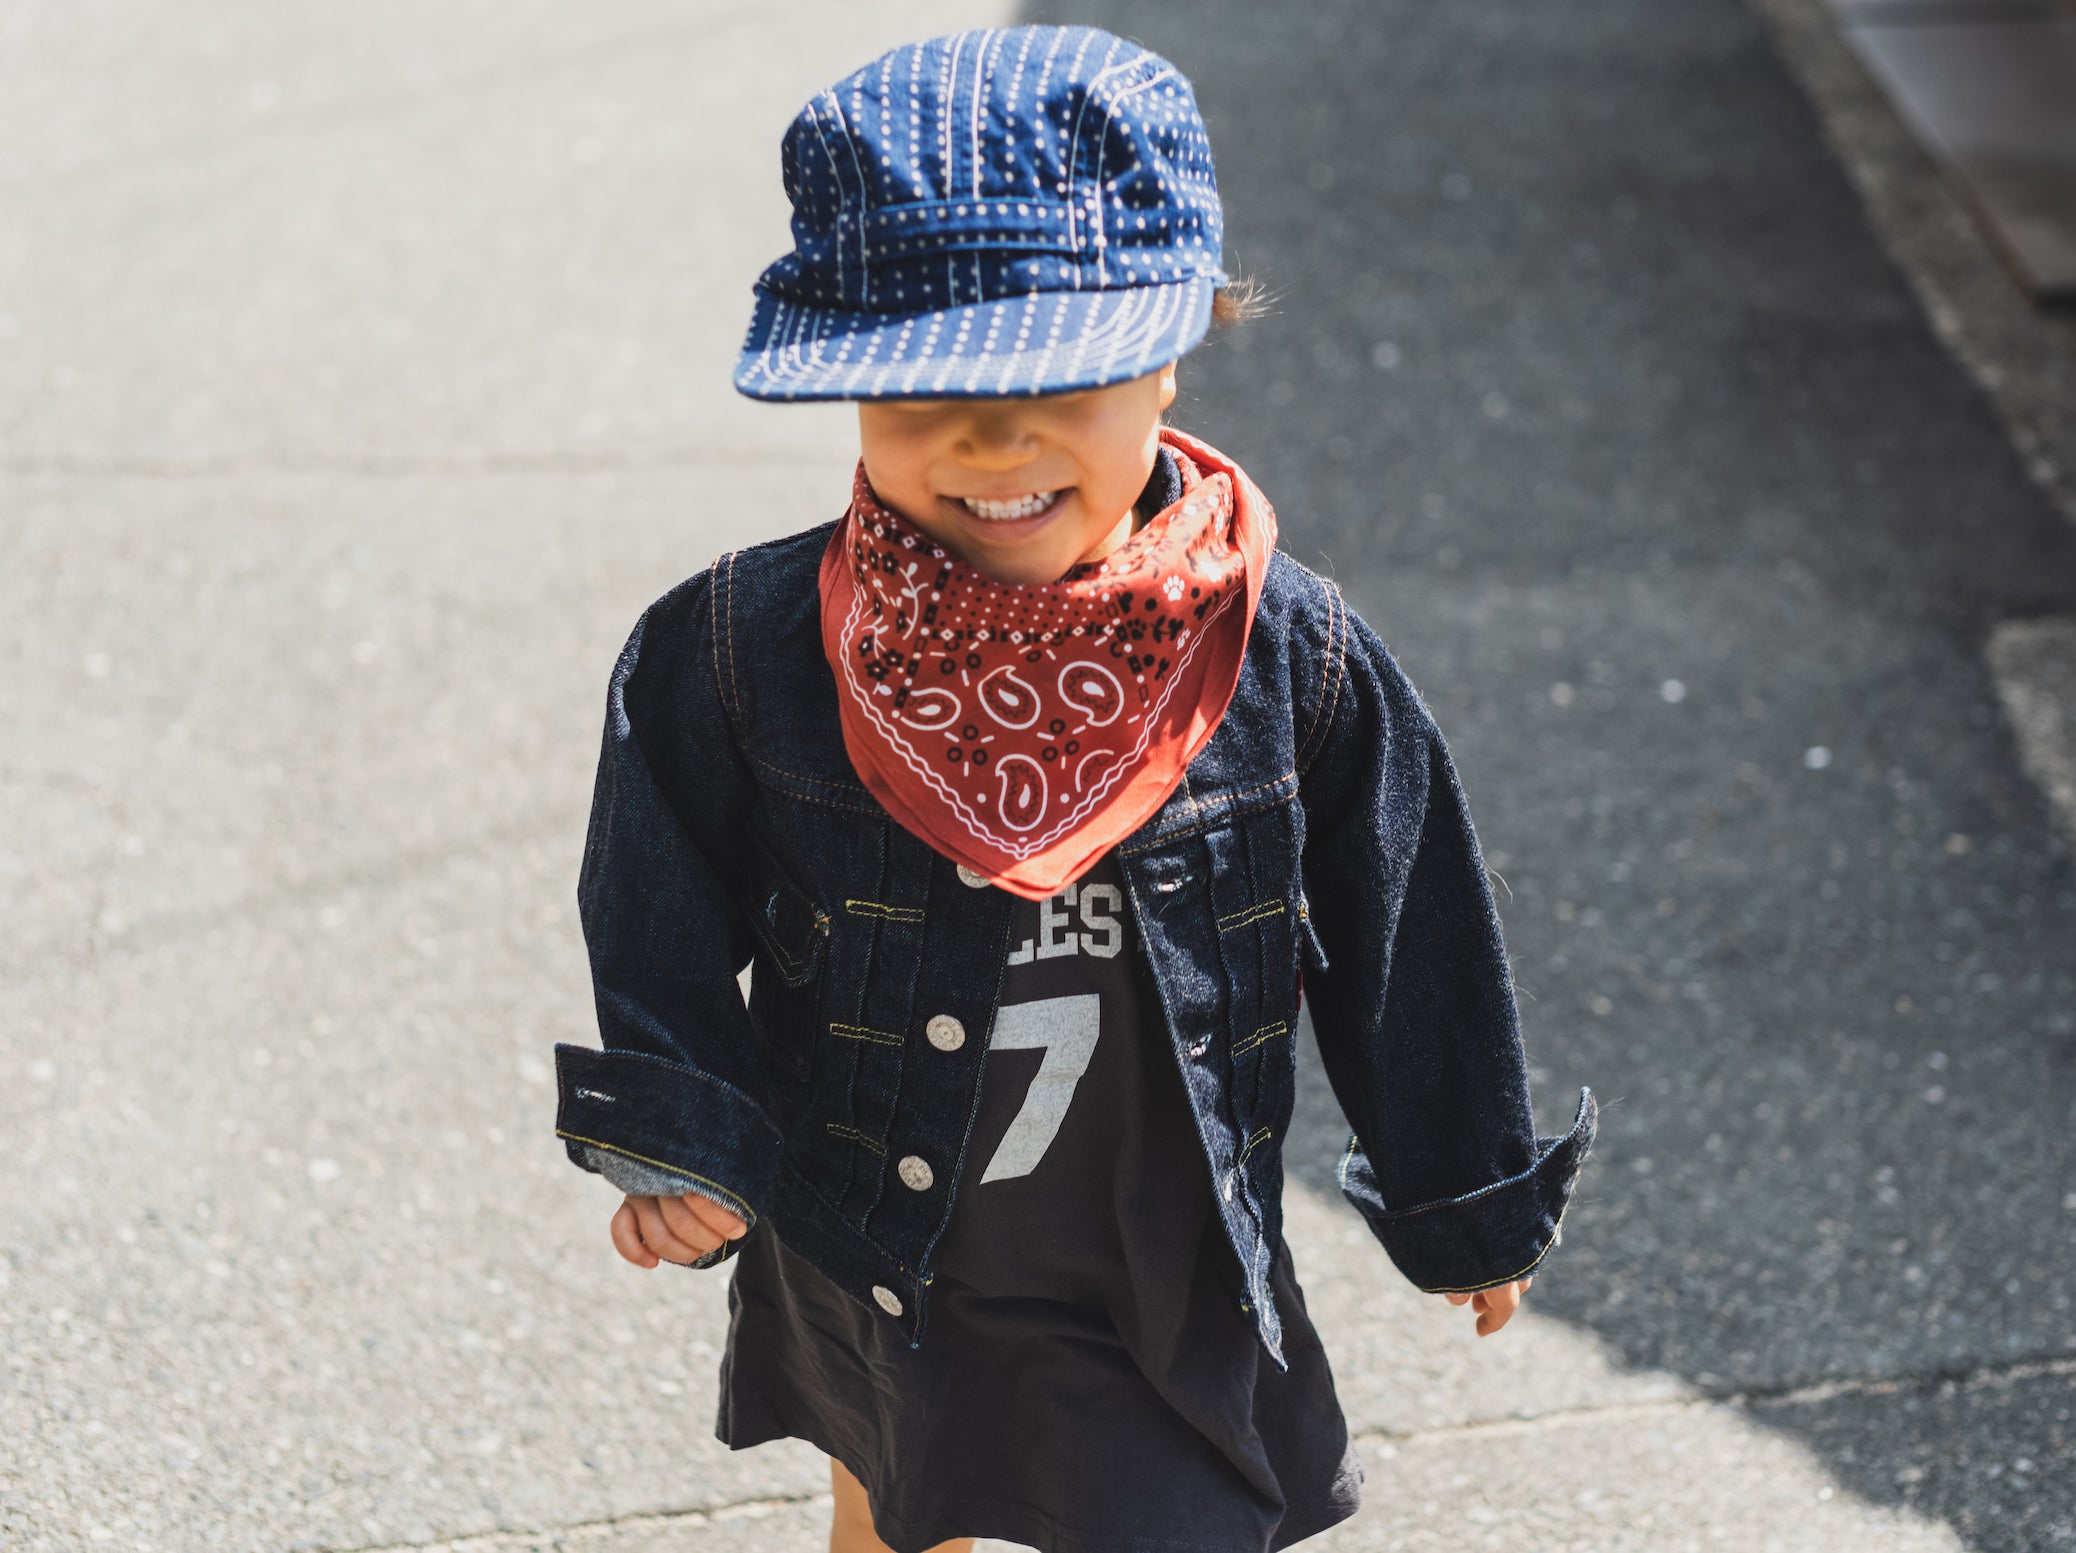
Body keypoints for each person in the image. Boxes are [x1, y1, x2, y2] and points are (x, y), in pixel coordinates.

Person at [551, 26, 1596, 1553]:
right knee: (900, 1507)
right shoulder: (744, 646)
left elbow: (1405, 907)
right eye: (920, 397)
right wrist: (680, 1133)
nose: (992, 441)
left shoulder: (1277, 643)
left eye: (1063, 378)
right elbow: (653, 886)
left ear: (1175, 346)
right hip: (871, 1217)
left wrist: (1464, 1185)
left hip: (1154, 1248)